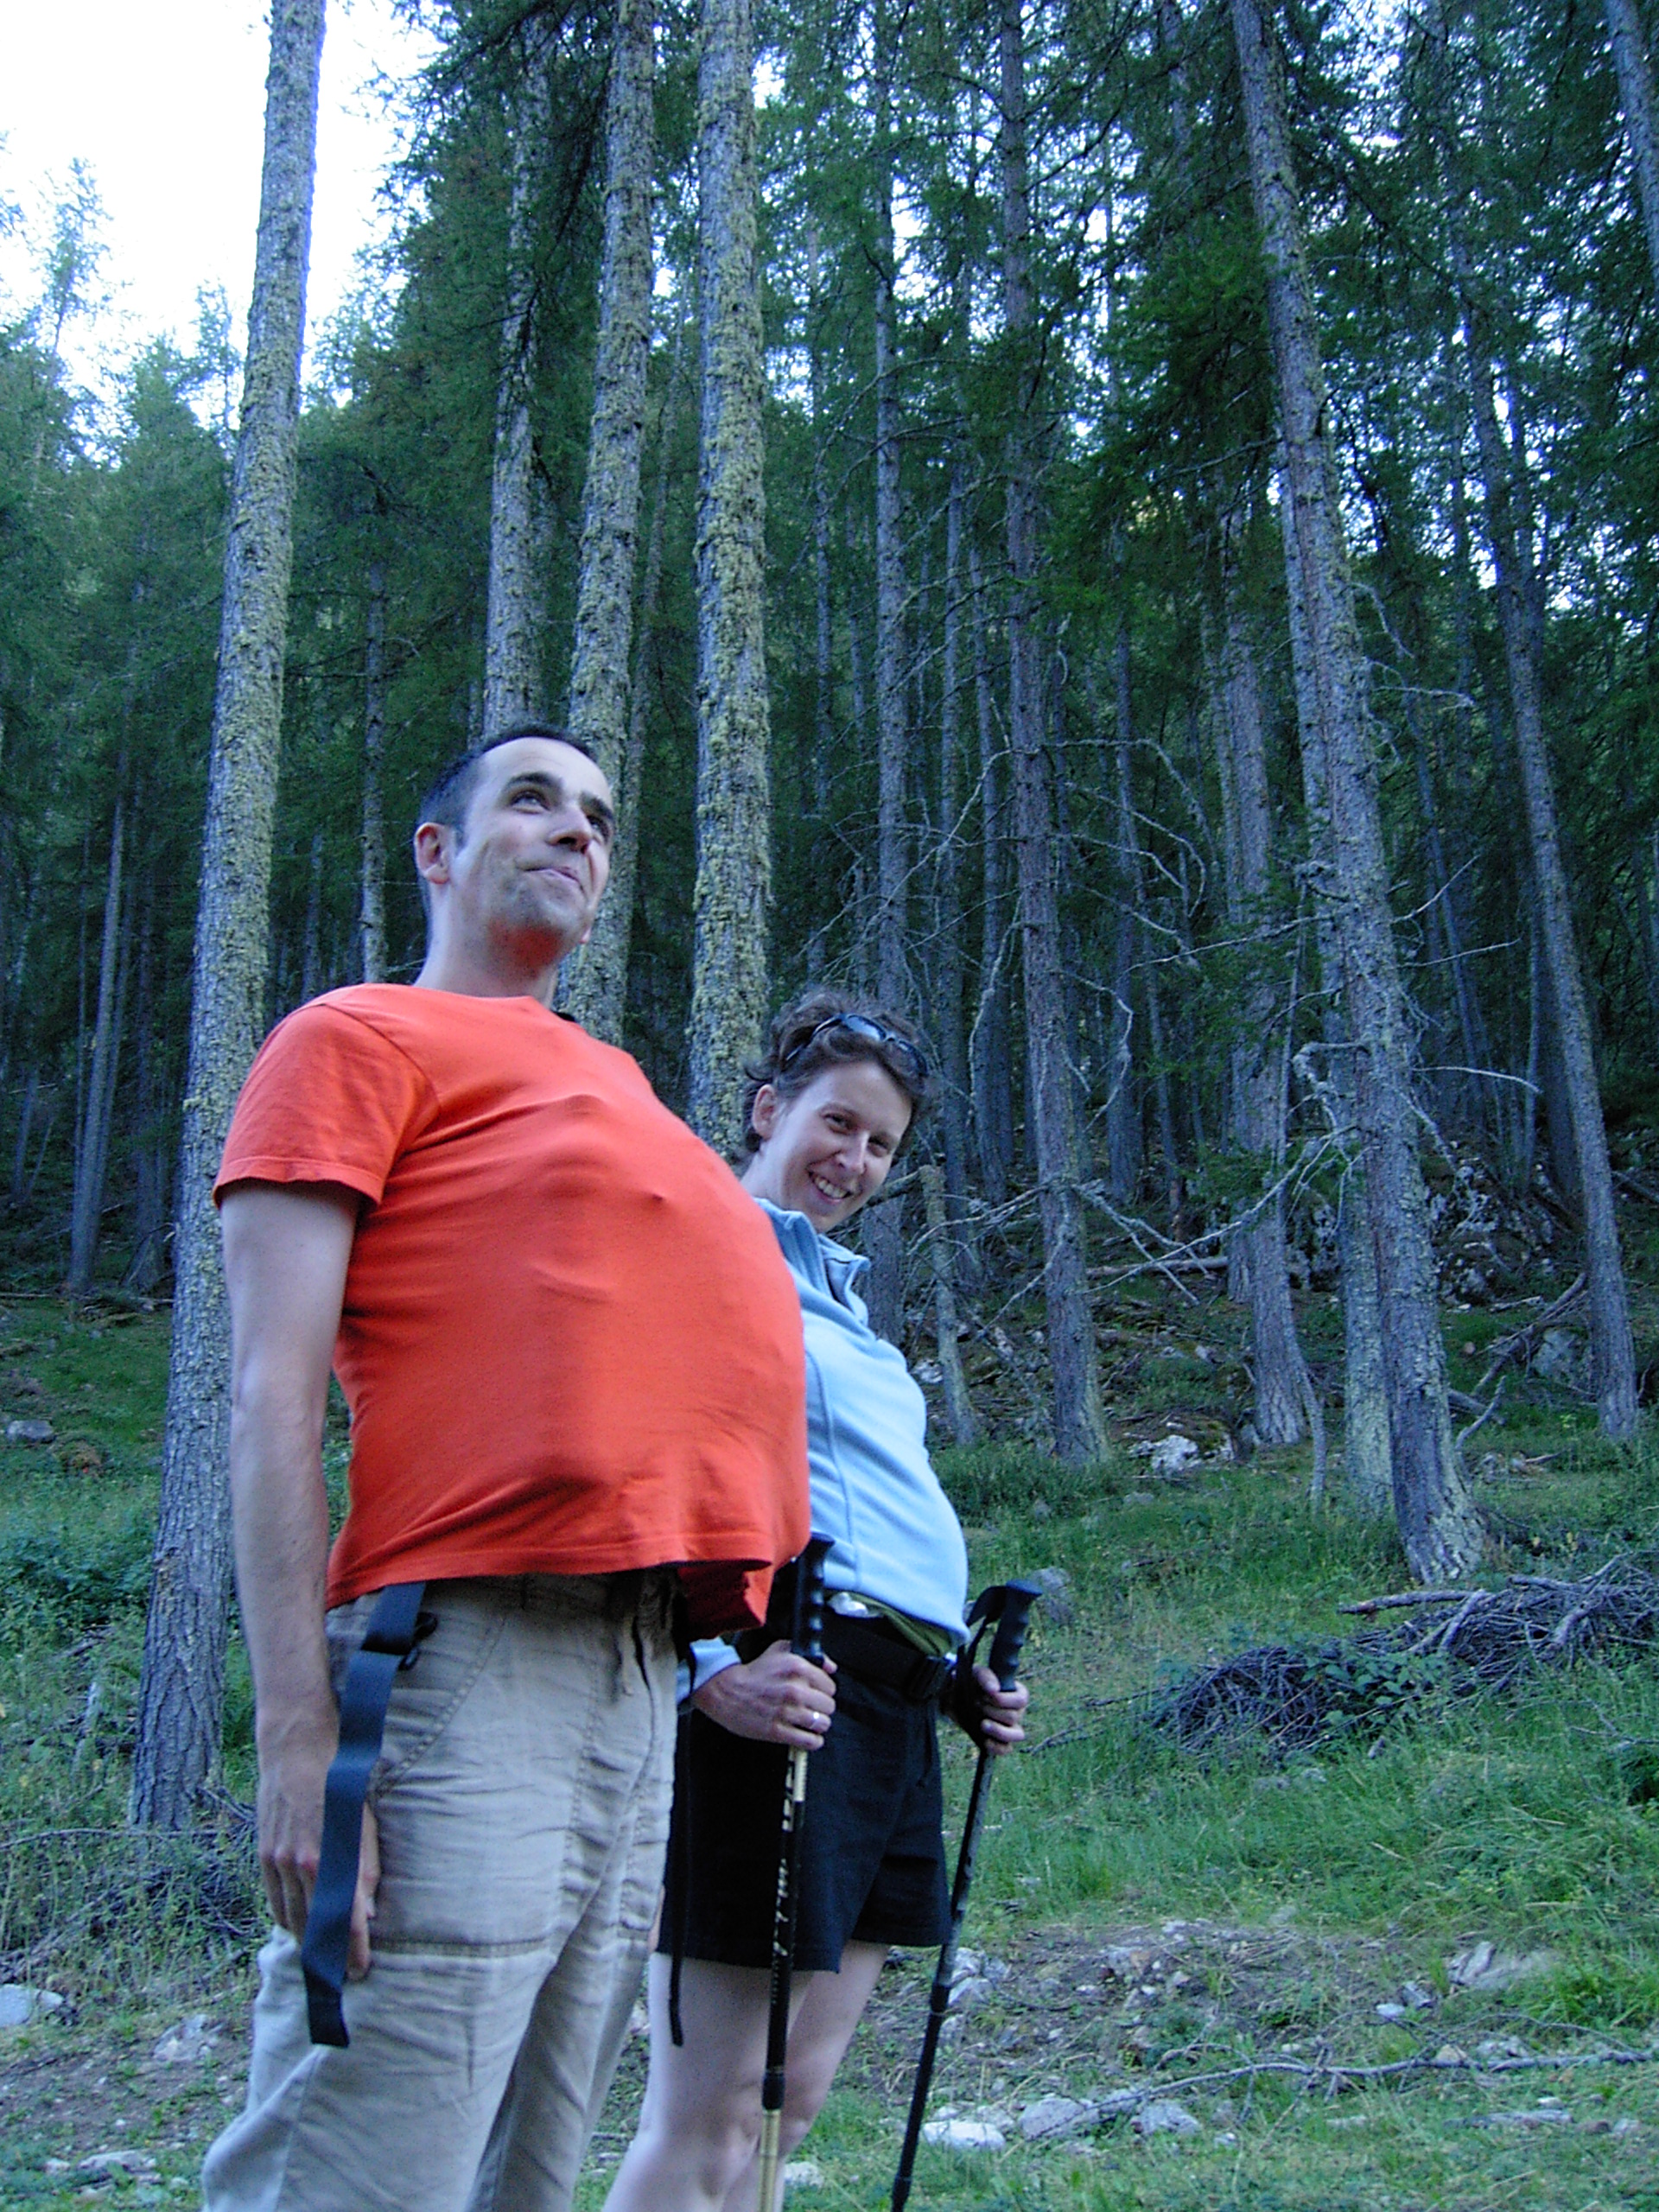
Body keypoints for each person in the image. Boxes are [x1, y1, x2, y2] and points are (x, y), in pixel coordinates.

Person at [201, 726, 811, 2212]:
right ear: (439, 852)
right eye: (531, 800)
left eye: (599, 817)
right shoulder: (354, 1038)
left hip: (638, 1682)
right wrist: (295, 1730)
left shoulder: (610, 1075)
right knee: (372, 2149)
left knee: (530, 2176)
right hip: (467, 1660)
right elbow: (272, 1385)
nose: (576, 832)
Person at [603, 988, 1028, 2212]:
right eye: (836, 1123)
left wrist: (954, 1678)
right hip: (780, 1686)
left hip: (886, 1708)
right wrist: (707, 1673)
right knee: (714, 2110)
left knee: (789, 2100)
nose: (854, 1159)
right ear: (768, 1107)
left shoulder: (832, 1295)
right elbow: (629, 1465)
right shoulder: (696, 1252)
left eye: (881, 1144)